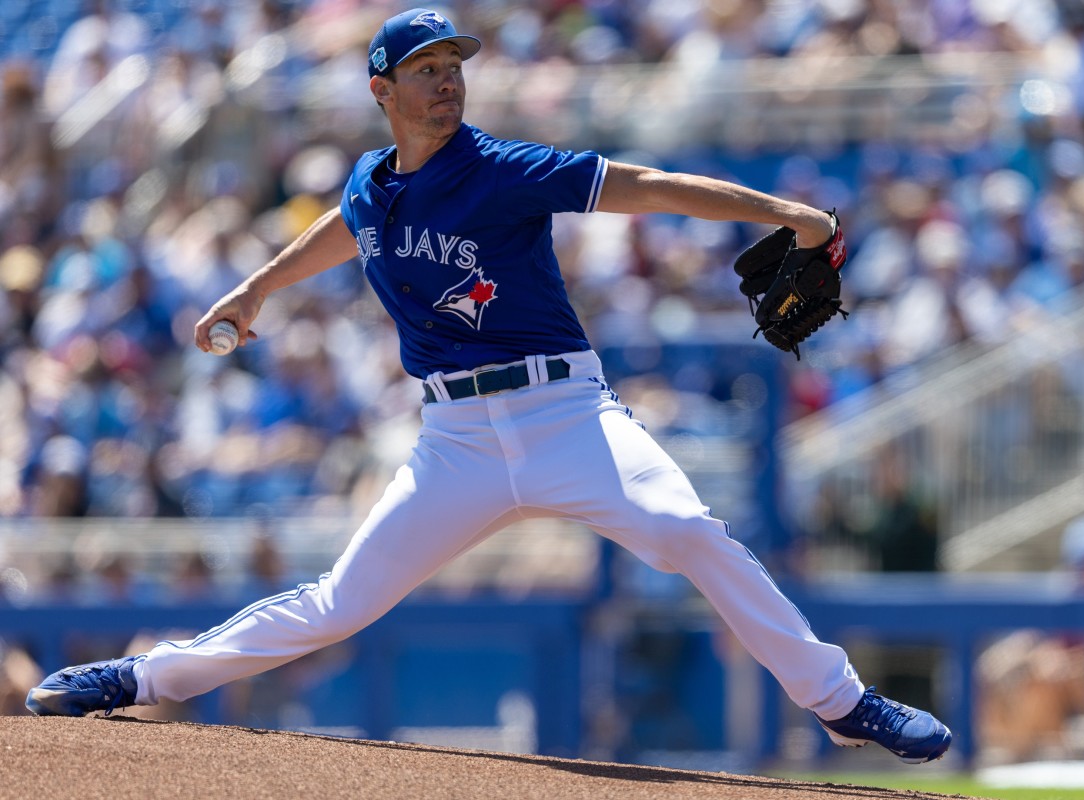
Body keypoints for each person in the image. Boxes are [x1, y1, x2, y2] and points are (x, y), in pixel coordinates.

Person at [25, 8, 951, 765]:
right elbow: (350, 229)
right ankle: (145, 681)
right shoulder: (367, 184)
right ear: (382, 90)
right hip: (455, 442)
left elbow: (651, 184)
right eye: (425, 68)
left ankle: (841, 700)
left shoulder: (503, 170)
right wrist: (259, 286)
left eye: (454, 64)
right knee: (342, 602)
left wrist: (783, 210)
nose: (447, 80)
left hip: (564, 412)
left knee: (685, 534)